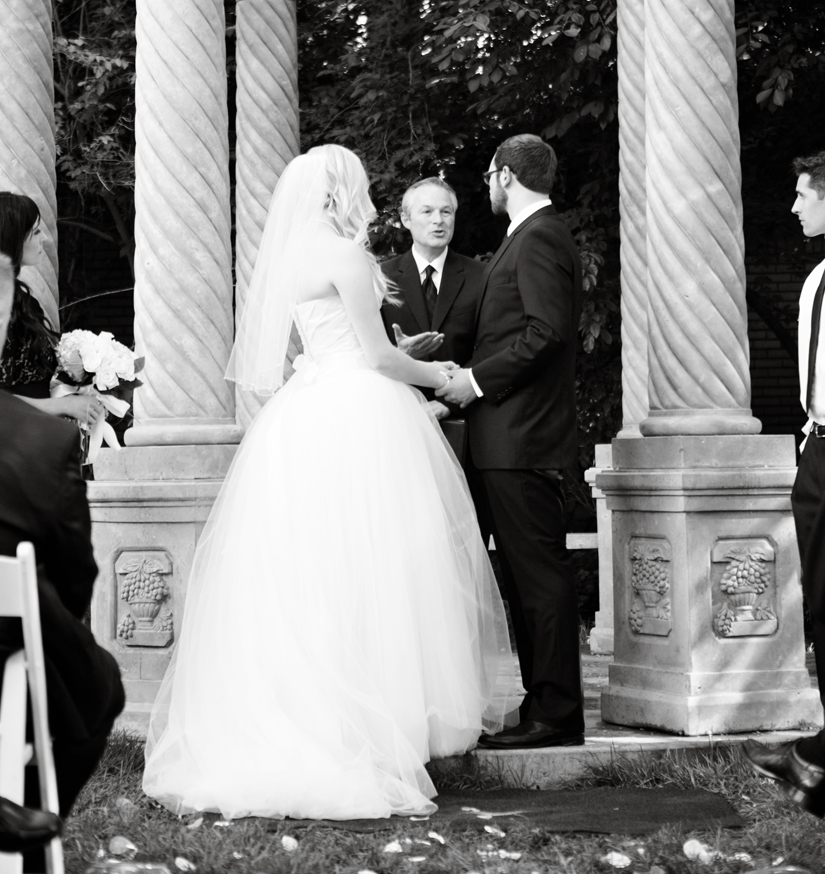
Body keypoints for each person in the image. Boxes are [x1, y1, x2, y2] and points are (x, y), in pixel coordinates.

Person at [142, 144, 516, 821]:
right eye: (361, 187)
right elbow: (377, 359)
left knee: (309, 571)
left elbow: (326, 344)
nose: (367, 198)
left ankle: (314, 718)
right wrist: (440, 376)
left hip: (305, 411)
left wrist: (395, 356)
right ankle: (368, 732)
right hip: (358, 414)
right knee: (376, 567)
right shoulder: (345, 256)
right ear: (343, 191)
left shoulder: (289, 258)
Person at [437, 134, 585, 750]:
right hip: (506, 438)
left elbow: (546, 332)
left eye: (488, 176)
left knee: (539, 578)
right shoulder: (525, 235)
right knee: (525, 580)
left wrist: (474, 380)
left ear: (504, 175)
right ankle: (541, 704)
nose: (487, 186)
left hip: (523, 438)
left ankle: (557, 714)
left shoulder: (540, 236)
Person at [0, 252, 126, 867]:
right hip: (7, 647)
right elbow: (76, 580)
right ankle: (22, 837)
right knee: (97, 688)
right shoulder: (41, 440)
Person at [744, 150, 825, 818]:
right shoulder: (817, 277)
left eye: (804, 194)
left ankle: (817, 759)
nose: (794, 206)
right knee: (820, 602)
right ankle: (819, 753)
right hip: (818, 452)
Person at [380, 178, 486, 423]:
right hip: (396, 415)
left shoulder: (481, 276)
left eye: (446, 212)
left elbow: (491, 345)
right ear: (405, 219)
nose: (438, 220)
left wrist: (448, 402)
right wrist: (399, 353)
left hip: (466, 417)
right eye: (427, 211)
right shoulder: (381, 278)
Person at [0, 192, 104, 429]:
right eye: (36, 232)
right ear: (13, 237)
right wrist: (62, 405)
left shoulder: (23, 301)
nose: (44, 238)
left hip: (36, 433)